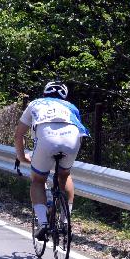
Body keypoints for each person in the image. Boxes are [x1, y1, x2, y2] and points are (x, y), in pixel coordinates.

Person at [14, 81, 89, 241]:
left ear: (45, 93)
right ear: (64, 96)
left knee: (38, 180)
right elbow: (78, 130)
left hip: (46, 140)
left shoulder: (35, 103)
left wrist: (21, 157)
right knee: (65, 175)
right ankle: (66, 220)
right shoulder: (71, 106)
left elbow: (18, 134)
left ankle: (43, 224)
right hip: (72, 138)